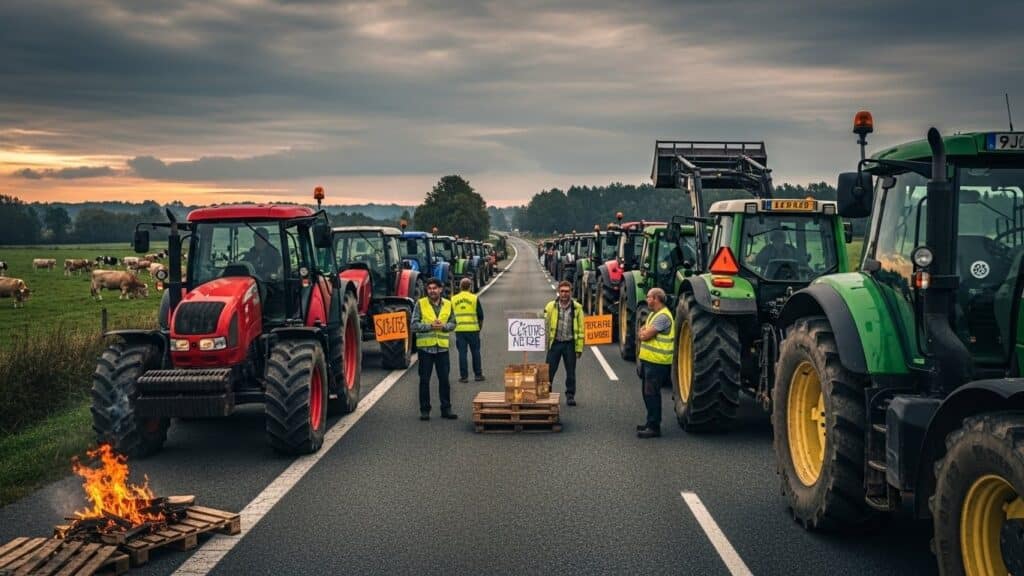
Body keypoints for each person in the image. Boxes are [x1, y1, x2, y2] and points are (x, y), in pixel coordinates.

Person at [411, 277, 457, 420]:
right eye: (429, 288)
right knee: (424, 380)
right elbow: (413, 325)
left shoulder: (448, 304)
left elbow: (453, 323)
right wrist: (430, 326)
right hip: (426, 349)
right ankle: (425, 410)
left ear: (440, 289)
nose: (432, 291)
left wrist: (443, 327)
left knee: (444, 380)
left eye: (435, 288)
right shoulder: (420, 304)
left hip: (442, 349)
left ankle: (446, 409)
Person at [636, 287, 675, 438]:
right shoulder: (654, 314)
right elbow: (642, 331)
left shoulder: (663, 317)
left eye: (648, 297)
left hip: (657, 362)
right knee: (647, 393)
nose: (647, 300)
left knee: (652, 394)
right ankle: (649, 422)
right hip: (649, 361)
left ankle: (654, 426)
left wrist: (644, 334)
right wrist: (643, 333)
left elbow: (645, 335)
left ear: (656, 299)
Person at [543, 280, 584, 406]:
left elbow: (581, 329)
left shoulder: (577, 308)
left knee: (571, 372)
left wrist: (579, 349)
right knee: (549, 372)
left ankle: (570, 395)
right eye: (562, 291)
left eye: (567, 291)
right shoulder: (550, 306)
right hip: (555, 344)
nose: (564, 294)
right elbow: (542, 324)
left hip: (569, 344)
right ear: (558, 292)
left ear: (571, 292)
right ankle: (546, 394)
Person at [452, 277, 485, 383]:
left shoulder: (454, 299)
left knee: (462, 353)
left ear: (460, 287)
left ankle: (464, 377)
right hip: (473, 329)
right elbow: (480, 315)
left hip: (460, 330)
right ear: (470, 286)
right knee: (475, 352)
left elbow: (450, 315)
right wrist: (479, 327)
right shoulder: (474, 298)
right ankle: (478, 375)